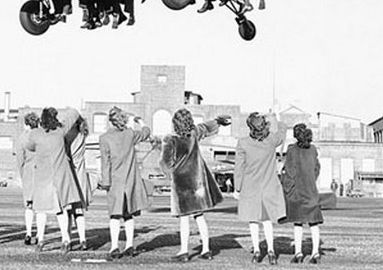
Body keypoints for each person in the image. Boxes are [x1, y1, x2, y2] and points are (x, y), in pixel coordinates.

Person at [160, 109, 231, 261]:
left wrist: (171, 176)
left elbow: (166, 163)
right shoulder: (194, 133)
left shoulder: (170, 139)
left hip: (181, 182)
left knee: (184, 218)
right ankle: (206, 250)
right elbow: (206, 127)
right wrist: (218, 121)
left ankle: (184, 251)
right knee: (199, 216)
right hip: (197, 180)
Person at [25, 106, 84, 252]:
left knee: (40, 210)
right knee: (61, 209)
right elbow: (75, 113)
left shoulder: (35, 134)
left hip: (42, 176)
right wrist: (66, 114)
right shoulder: (60, 131)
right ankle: (66, 239)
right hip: (59, 175)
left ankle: (40, 239)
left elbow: (30, 147)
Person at [98, 108, 153, 259]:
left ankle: (114, 247)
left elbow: (105, 163)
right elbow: (146, 132)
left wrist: (105, 182)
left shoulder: (104, 138)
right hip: (130, 179)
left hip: (115, 180)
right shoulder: (130, 134)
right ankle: (129, 245)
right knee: (129, 215)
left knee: (115, 215)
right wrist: (141, 121)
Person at [235, 113, 288, 264]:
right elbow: (282, 133)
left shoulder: (243, 143)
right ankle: (271, 251)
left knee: (253, 221)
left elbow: (239, 168)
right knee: (267, 221)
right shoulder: (271, 140)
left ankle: (257, 251)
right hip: (268, 187)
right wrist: (278, 119)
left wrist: (237, 188)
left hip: (250, 187)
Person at [281, 124, 324, 264]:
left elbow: (290, 172)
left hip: (297, 192)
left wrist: (286, 187)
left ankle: (298, 252)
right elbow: (317, 168)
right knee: (314, 224)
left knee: (297, 224)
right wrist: (312, 179)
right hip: (311, 190)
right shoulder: (312, 149)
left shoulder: (292, 150)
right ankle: (315, 252)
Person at [67, 116, 92, 250]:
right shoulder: (83, 134)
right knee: (79, 211)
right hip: (81, 172)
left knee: (68, 211)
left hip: (70, 172)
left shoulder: (69, 136)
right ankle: (83, 239)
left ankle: (68, 239)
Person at [15, 112, 41, 244]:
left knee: (28, 206)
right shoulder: (42, 135)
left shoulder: (21, 138)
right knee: (41, 206)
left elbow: (20, 160)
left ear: (26, 124)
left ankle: (29, 232)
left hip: (28, 172)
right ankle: (39, 234)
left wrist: (22, 175)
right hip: (41, 173)